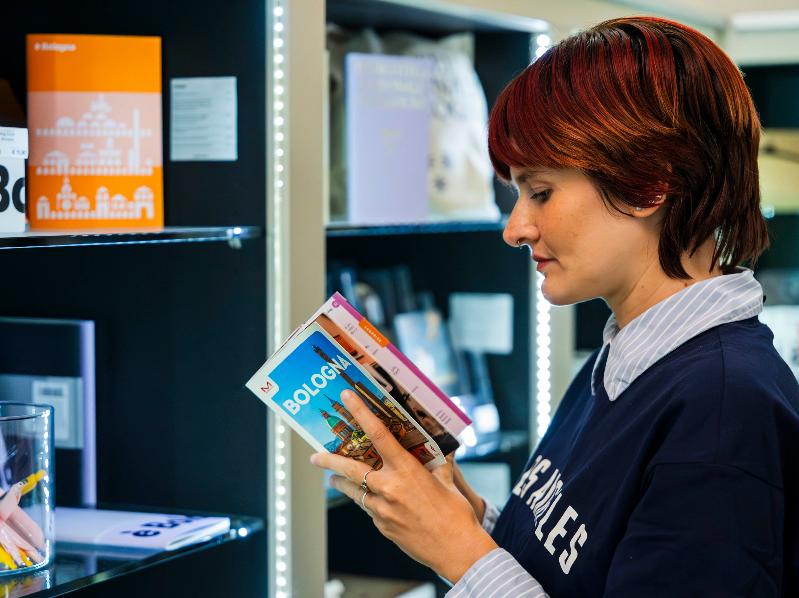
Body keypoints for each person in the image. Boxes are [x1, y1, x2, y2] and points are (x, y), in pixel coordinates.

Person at [310, 15, 799, 597]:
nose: (515, 228)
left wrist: (461, 555)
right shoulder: (625, 361)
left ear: (649, 183)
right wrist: (465, 523)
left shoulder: (723, 410)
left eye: (540, 192)